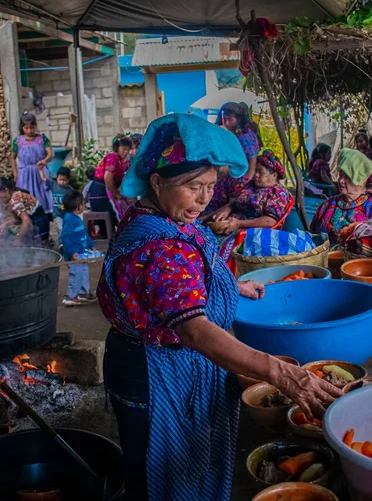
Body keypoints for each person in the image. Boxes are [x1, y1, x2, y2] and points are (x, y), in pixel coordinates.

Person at [97, 114, 341, 501]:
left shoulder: (167, 215)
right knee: (161, 470)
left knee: (190, 461)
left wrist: (232, 286)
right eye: (193, 186)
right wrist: (282, 373)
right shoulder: (159, 246)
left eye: (210, 186)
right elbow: (193, 328)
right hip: (155, 370)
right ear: (157, 181)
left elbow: (181, 284)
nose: (204, 198)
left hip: (175, 363)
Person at [311, 148, 372, 243]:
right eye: (341, 175)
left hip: (367, 258)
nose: (341, 180)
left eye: (347, 177)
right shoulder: (327, 205)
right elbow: (313, 234)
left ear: (362, 180)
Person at [213, 150, 293, 234]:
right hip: (233, 223)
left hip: (252, 232)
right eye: (256, 171)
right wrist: (228, 208)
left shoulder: (278, 193)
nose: (256, 174)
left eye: (260, 172)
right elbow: (236, 202)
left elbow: (270, 221)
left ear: (274, 175)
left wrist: (239, 224)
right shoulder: (251, 186)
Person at [10, 113, 54, 214]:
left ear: (35, 126)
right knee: (26, 196)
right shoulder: (18, 141)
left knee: (44, 194)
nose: (29, 130)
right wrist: (15, 173)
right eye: (26, 128)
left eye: (32, 127)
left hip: (40, 172)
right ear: (22, 127)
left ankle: (45, 217)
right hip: (25, 174)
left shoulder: (42, 139)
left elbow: (50, 153)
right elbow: (12, 158)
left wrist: (44, 161)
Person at [61, 190, 97, 307]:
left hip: (81, 253)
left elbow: (84, 233)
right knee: (76, 274)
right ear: (78, 206)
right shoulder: (70, 219)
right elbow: (65, 237)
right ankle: (70, 297)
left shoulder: (76, 218)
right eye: (83, 203)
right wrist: (72, 252)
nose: (84, 204)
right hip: (74, 255)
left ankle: (83, 293)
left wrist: (90, 245)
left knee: (83, 272)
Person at [88, 136, 133, 222]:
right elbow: (108, 178)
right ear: (117, 148)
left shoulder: (125, 161)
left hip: (109, 192)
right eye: (124, 149)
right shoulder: (112, 158)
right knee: (115, 216)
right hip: (100, 194)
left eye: (128, 149)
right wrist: (116, 194)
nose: (126, 152)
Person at [0, 177, 50, 244]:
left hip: (38, 226)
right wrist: (5, 224)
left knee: (36, 247)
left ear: (6, 190)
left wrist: (18, 240)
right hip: (43, 223)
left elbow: (26, 221)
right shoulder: (16, 194)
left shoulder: (15, 200)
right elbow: (18, 218)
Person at [39, 166, 72, 247]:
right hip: (57, 214)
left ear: (68, 180)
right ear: (57, 178)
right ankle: (63, 244)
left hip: (67, 214)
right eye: (60, 180)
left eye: (65, 180)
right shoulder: (53, 184)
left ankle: (63, 242)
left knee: (66, 229)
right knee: (61, 228)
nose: (62, 182)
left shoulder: (70, 190)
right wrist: (40, 169)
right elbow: (43, 178)